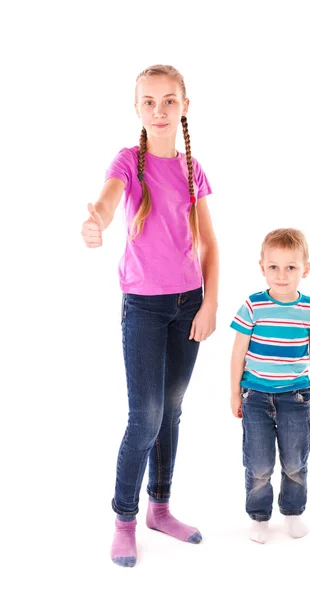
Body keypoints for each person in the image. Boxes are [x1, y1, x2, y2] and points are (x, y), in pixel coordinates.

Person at [81, 64, 219, 567]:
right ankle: (124, 519)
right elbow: (106, 197)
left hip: (188, 306)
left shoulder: (191, 168)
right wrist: (95, 218)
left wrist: (210, 302)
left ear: (185, 106)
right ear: (136, 108)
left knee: (173, 412)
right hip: (143, 306)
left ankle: (160, 508)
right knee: (145, 417)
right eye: (148, 102)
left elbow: (209, 242)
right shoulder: (127, 161)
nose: (158, 110)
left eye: (168, 100)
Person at [230, 228, 310, 543]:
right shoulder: (253, 306)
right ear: (262, 267)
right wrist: (235, 393)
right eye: (274, 266)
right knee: (258, 462)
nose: (281, 275)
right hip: (256, 396)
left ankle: (293, 512)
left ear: (305, 269)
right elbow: (238, 352)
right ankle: (259, 517)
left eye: (290, 267)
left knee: (295, 461)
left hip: (295, 396)